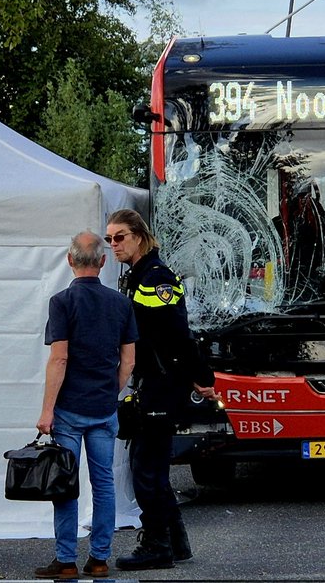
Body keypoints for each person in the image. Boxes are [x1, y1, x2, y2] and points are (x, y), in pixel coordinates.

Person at [105, 209, 217, 571]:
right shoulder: (139, 275)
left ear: (138, 236)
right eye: (109, 239)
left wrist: (203, 376)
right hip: (154, 381)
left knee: (145, 470)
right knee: (152, 466)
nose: (113, 245)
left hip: (163, 383)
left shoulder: (156, 277)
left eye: (119, 237)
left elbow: (177, 333)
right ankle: (176, 541)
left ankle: (156, 544)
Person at [34, 231, 137, 580]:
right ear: (104, 262)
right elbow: (129, 361)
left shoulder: (61, 302)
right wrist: (111, 393)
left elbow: (59, 359)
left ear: (70, 260)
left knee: (66, 483)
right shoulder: (121, 304)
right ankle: (99, 558)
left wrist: (47, 410)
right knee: (104, 483)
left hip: (69, 409)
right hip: (103, 408)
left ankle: (65, 561)